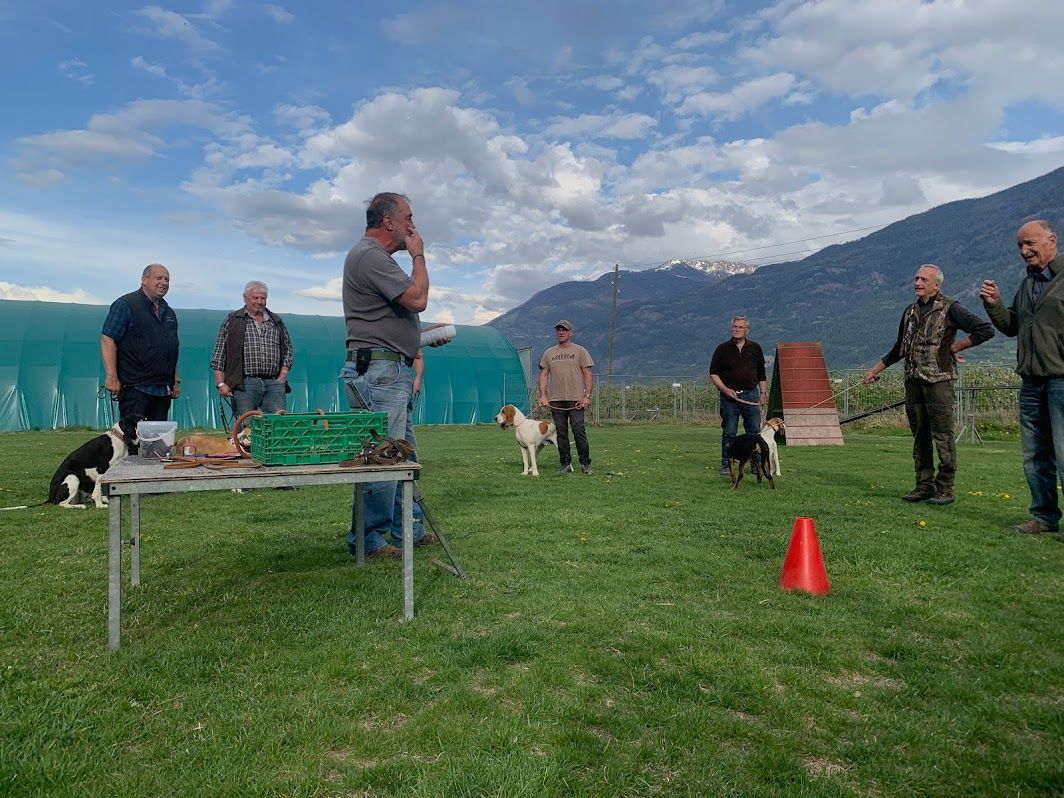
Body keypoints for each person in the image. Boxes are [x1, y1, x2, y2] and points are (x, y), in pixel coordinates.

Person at [339, 192, 445, 559]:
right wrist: (418, 254)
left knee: (404, 454)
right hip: (380, 373)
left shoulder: (372, 258)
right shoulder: (370, 256)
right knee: (384, 455)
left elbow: (395, 314)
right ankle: (369, 540)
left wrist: (423, 336)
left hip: (387, 368)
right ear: (389, 222)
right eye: (408, 218)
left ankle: (406, 530)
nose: (413, 226)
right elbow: (417, 299)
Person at [864, 264, 993, 505]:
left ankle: (945, 488)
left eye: (924, 279)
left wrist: (958, 346)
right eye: (916, 278)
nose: (918, 283)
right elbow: (898, 349)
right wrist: (875, 370)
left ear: (936, 284)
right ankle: (923, 486)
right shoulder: (909, 312)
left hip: (939, 382)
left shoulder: (951, 308)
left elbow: (984, 330)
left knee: (943, 436)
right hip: (913, 382)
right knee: (919, 436)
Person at [979, 220, 1064, 539]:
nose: (1023, 250)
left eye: (1029, 243)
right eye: (1019, 245)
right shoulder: (1028, 283)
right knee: (1034, 455)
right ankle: (1043, 516)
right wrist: (994, 305)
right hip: (1031, 381)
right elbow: (1012, 325)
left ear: (1051, 240)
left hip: (1061, 381)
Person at [100, 263, 180, 421]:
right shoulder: (125, 305)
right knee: (133, 440)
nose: (164, 282)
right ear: (144, 280)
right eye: (159, 278)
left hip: (162, 389)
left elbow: (172, 348)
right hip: (135, 388)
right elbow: (108, 338)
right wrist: (111, 377)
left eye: (167, 279)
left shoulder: (169, 312)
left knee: (159, 443)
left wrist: (175, 379)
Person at [210, 280, 294, 416]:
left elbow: (288, 351)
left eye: (263, 298)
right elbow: (219, 354)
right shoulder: (233, 320)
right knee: (246, 425)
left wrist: (282, 377)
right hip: (245, 383)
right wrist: (221, 384)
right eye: (255, 298)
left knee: (277, 424)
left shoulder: (276, 321)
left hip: (274, 383)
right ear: (245, 298)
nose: (259, 301)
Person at [709, 317, 767, 476]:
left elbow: (762, 374)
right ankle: (727, 464)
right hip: (729, 398)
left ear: (747, 330)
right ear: (731, 328)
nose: (737, 329)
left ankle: (757, 465)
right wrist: (725, 389)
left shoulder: (755, 348)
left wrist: (763, 394)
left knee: (754, 432)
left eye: (741, 327)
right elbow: (713, 374)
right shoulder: (722, 349)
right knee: (729, 432)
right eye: (735, 326)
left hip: (751, 395)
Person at [538, 320, 594, 474]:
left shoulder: (580, 351)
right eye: (558, 330)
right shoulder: (549, 353)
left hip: (576, 399)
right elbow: (543, 374)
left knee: (578, 430)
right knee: (561, 433)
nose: (561, 332)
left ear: (571, 332)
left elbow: (588, 373)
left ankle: (585, 464)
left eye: (564, 330)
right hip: (556, 400)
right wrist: (543, 395)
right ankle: (565, 464)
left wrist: (586, 396)